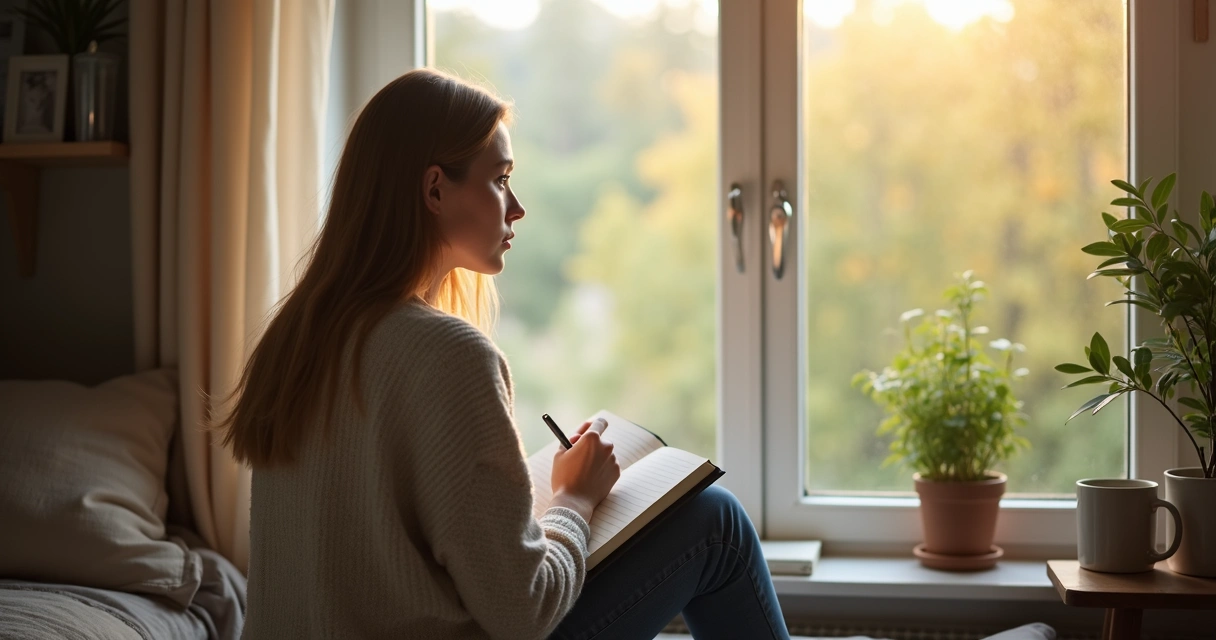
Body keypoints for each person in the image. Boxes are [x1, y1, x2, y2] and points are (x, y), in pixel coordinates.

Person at [221, 68, 790, 640]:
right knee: (716, 523)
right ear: (436, 189)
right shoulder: (447, 355)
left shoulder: (293, 339)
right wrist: (574, 499)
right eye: (500, 180)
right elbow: (524, 613)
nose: (516, 207)